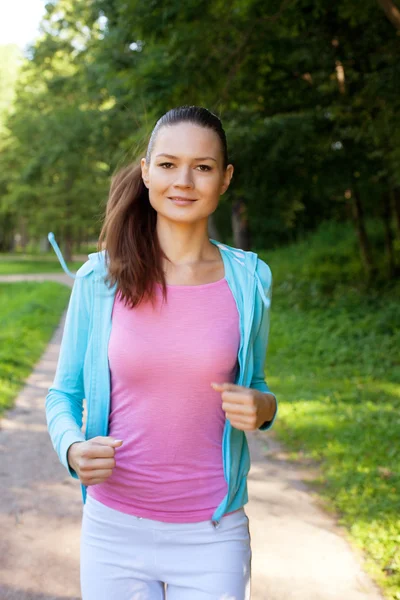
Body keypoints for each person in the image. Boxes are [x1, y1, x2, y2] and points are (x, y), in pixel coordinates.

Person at [45, 105, 278, 600]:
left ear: (225, 178)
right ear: (147, 171)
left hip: (213, 534)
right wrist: (72, 448)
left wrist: (264, 408)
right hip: (114, 531)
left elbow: (256, 387)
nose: (185, 180)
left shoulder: (250, 279)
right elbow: (63, 394)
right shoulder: (100, 279)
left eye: (204, 166)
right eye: (168, 164)